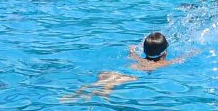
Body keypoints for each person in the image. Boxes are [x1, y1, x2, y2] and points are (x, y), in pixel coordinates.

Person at [65, 33, 195, 101]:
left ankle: (80, 92)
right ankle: (99, 93)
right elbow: (179, 60)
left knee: (102, 82)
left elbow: (132, 54)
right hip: (131, 76)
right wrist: (191, 53)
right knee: (108, 86)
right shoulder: (162, 64)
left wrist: (132, 50)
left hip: (116, 71)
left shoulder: (140, 59)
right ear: (165, 53)